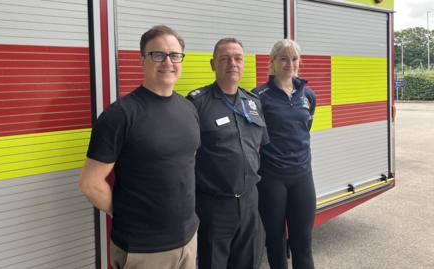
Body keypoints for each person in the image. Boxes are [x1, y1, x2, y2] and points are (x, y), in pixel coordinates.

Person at [79, 25, 200, 269]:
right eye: (158, 54)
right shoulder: (120, 115)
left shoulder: (189, 108)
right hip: (143, 248)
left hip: (188, 239)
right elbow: (90, 184)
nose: (168, 62)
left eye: (175, 55)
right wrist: (121, 211)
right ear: (141, 61)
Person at [187, 38, 269, 269]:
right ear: (213, 64)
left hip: (250, 200)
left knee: (249, 262)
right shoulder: (197, 103)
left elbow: (259, 146)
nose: (232, 63)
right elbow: (185, 158)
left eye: (237, 58)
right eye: (224, 58)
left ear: (244, 64)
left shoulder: (253, 102)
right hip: (214, 206)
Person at [253, 39, 317, 269]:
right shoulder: (259, 96)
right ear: (272, 63)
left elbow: (303, 129)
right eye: (283, 58)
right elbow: (255, 137)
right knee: (276, 242)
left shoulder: (308, 95)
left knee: (303, 242)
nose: (289, 63)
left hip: (302, 176)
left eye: (294, 58)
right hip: (272, 179)